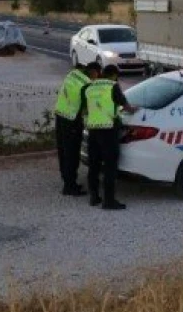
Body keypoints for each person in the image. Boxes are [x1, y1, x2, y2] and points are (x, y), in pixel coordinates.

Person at [82, 64, 133, 210]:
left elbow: (86, 109)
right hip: (108, 130)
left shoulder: (89, 87)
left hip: (93, 130)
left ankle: (94, 197)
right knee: (110, 167)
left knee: (94, 165)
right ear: (114, 75)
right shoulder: (112, 85)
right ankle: (109, 201)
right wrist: (132, 108)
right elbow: (124, 104)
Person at [53, 63, 95, 196]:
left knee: (63, 151)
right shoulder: (86, 84)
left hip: (60, 115)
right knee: (72, 154)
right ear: (93, 72)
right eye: (97, 74)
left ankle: (67, 180)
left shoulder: (72, 74)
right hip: (72, 121)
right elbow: (86, 108)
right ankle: (70, 187)